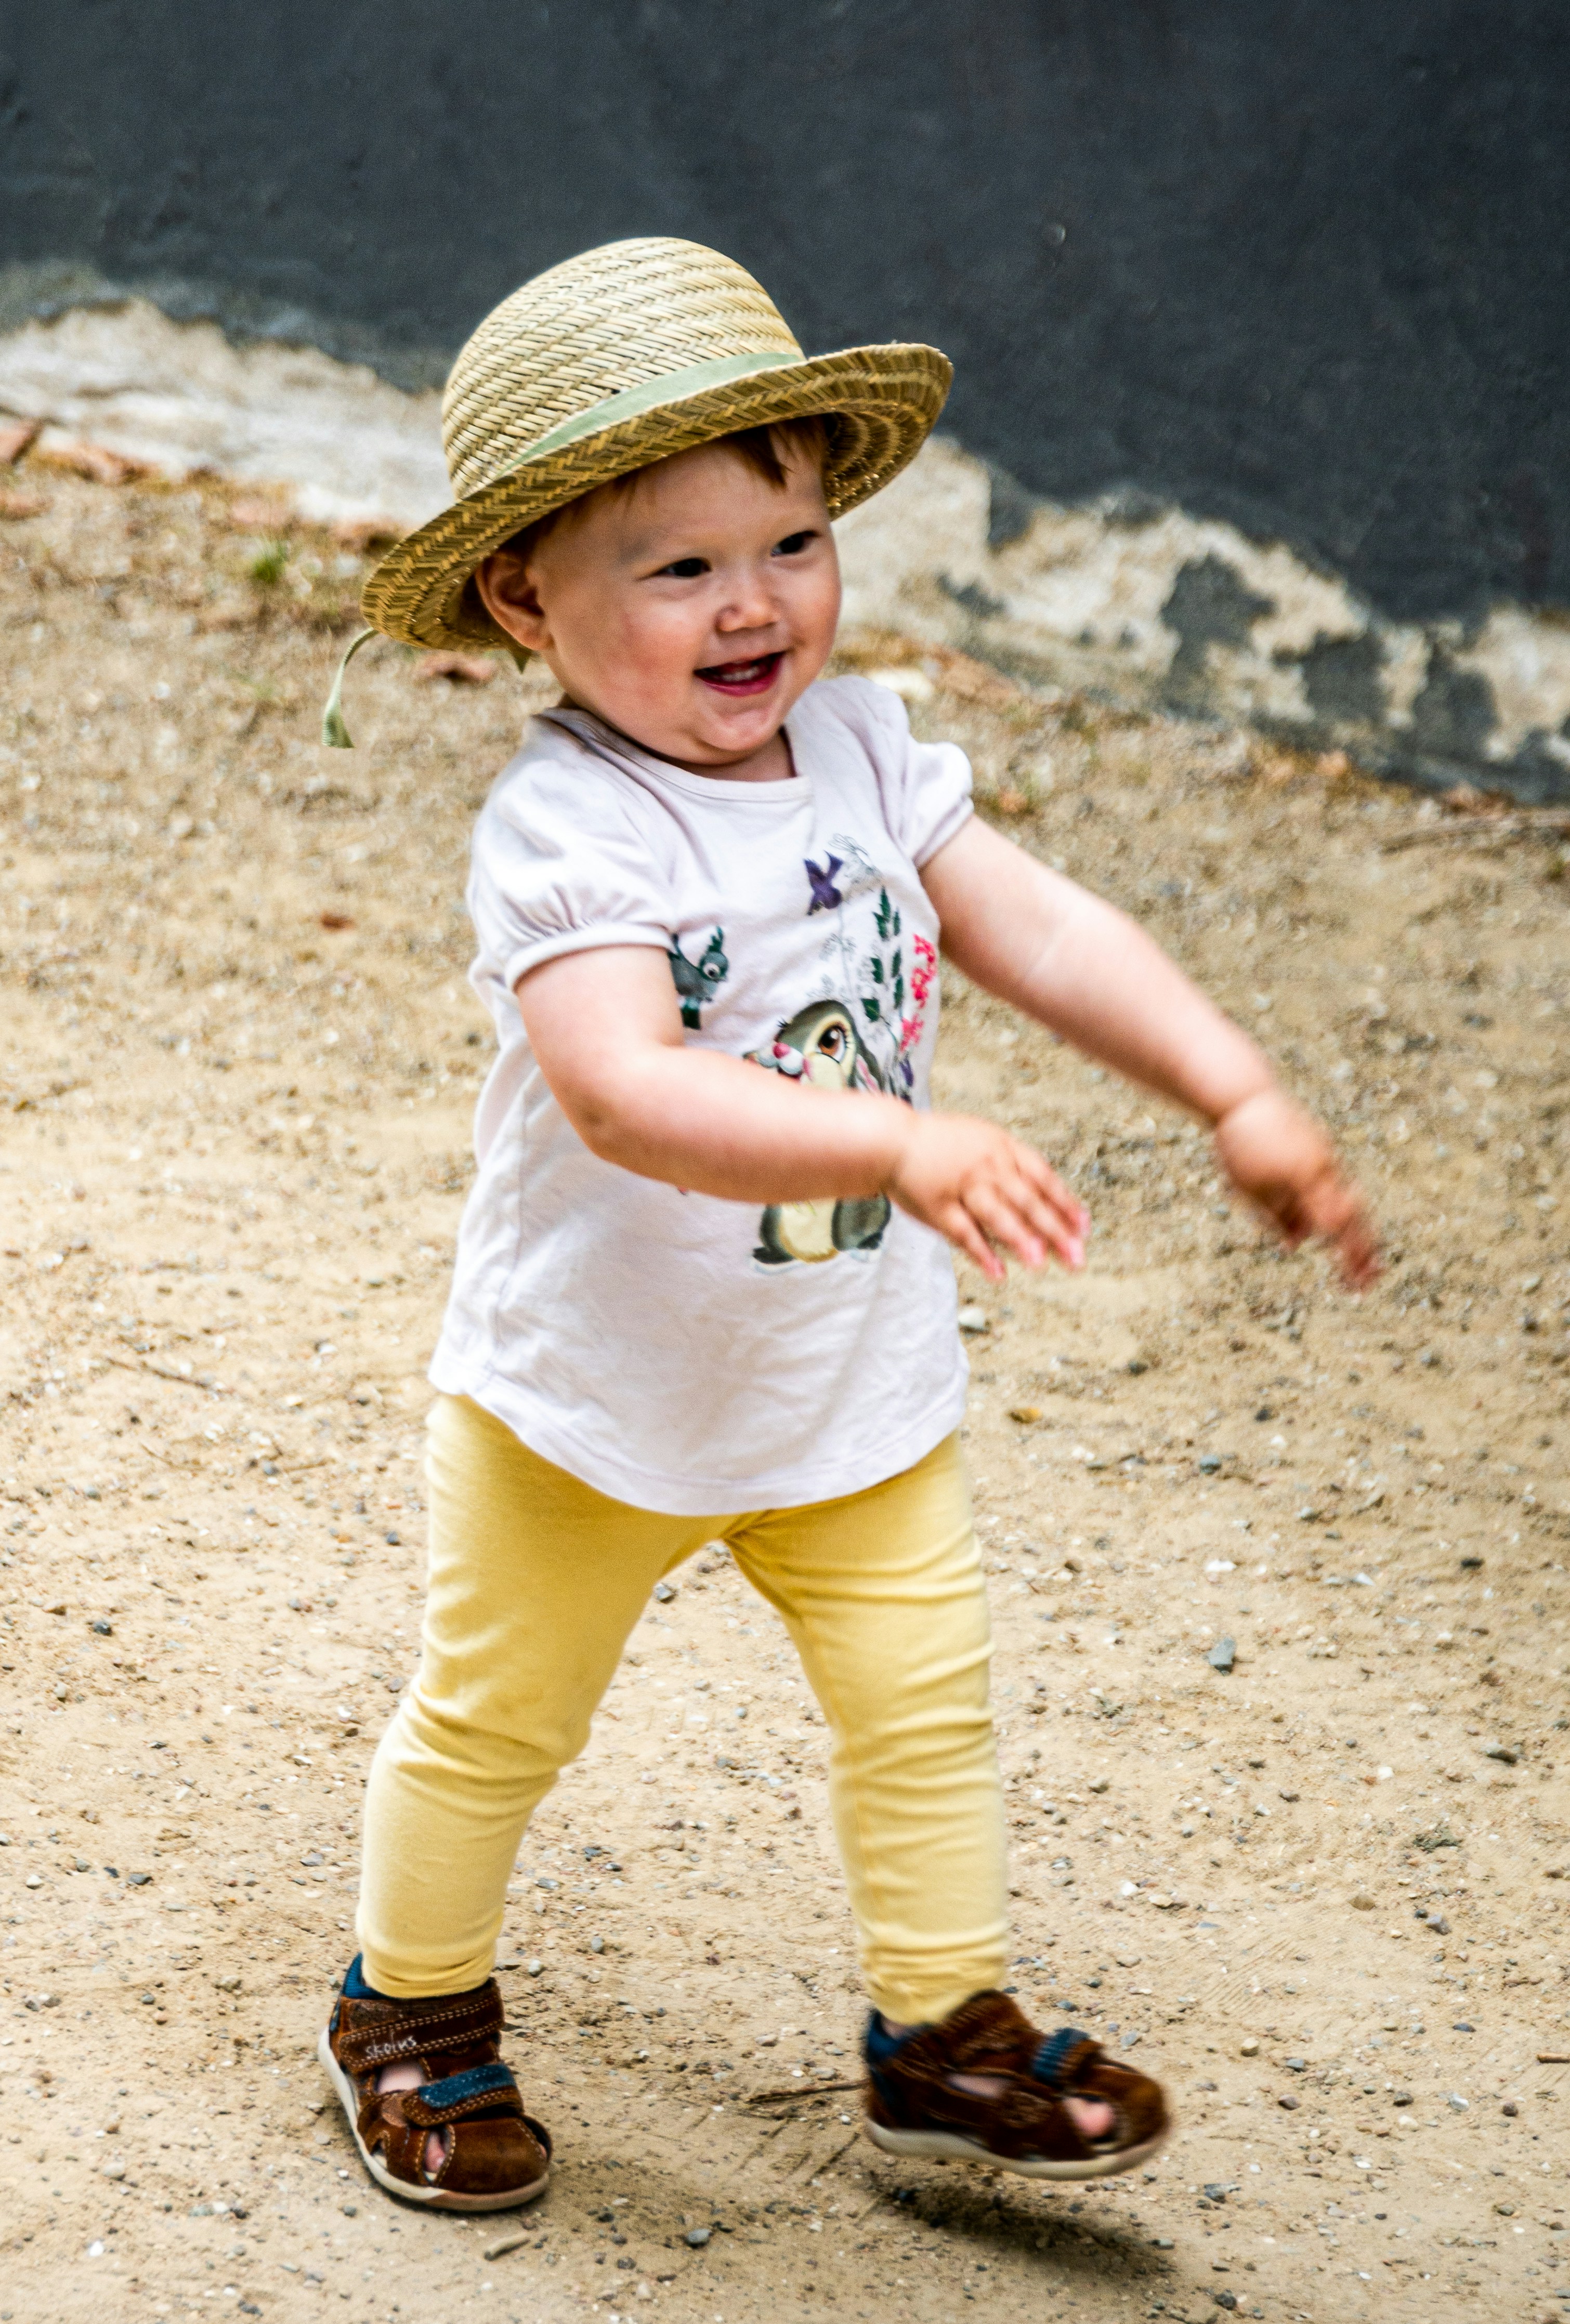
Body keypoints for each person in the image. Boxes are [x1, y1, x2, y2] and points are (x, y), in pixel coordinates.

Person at [317, 237, 1376, 2212]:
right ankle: (413, 2005)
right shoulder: (572, 829)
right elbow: (621, 1084)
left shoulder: (868, 749)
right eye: (678, 565)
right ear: (522, 594)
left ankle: (937, 2029)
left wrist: (1229, 1087)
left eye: (789, 540)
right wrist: (885, 1145)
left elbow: (1040, 925)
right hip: (592, 1399)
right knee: (496, 1717)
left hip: (839, 1379)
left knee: (923, 1696)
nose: (755, 603)